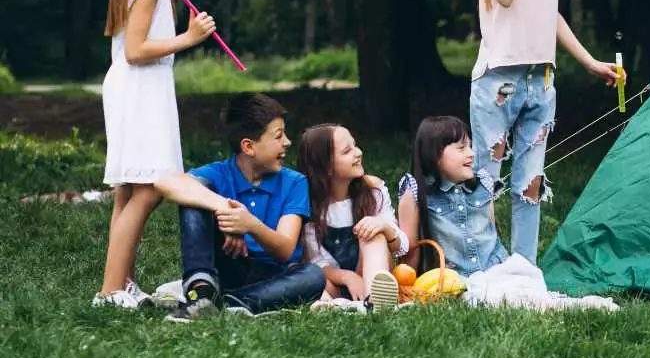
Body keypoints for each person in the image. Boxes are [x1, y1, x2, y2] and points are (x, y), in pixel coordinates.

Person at [471, 0, 620, 263]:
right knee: (487, 180)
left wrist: (589, 62)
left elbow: (548, 10)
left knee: (530, 183)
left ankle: (523, 269)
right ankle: (484, 268)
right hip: (498, 79)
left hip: (542, 79)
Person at [94, 0, 216, 308]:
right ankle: (111, 289)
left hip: (133, 89)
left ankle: (119, 284)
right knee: (149, 189)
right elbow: (136, 50)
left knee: (131, 190)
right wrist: (189, 38)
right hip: (141, 90)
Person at [154, 93, 326, 320]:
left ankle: (220, 303)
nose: (287, 142)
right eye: (278, 136)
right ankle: (202, 290)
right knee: (193, 196)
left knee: (314, 276)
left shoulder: (294, 182)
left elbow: (284, 249)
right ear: (249, 146)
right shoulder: (219, 173)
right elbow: (164, 183)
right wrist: (224, 208)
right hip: (228, 267)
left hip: (273, 276)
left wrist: (250, 224)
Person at [297, 124, 407, 311]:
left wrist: (384, 227)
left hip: (373, 275)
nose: (358, 152)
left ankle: (375, 301)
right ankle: (333, 306)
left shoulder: (373, 191)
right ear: (326, 168)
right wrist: (347, 277)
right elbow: (316, 262)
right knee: (314, 281)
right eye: (347, 151)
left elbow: (402, 246)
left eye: (355, 145)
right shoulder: (310, 205)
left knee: (373, 233)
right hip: (337, 281)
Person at [395, 115, 509, 275]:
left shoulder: (483, 182)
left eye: (470, 146)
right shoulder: (416, 190)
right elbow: (411, 249)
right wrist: (407, 283)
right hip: (453, 278)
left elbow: (492, 231)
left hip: (497, 270)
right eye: (462, 148)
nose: (471, 153)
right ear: (435, 156)